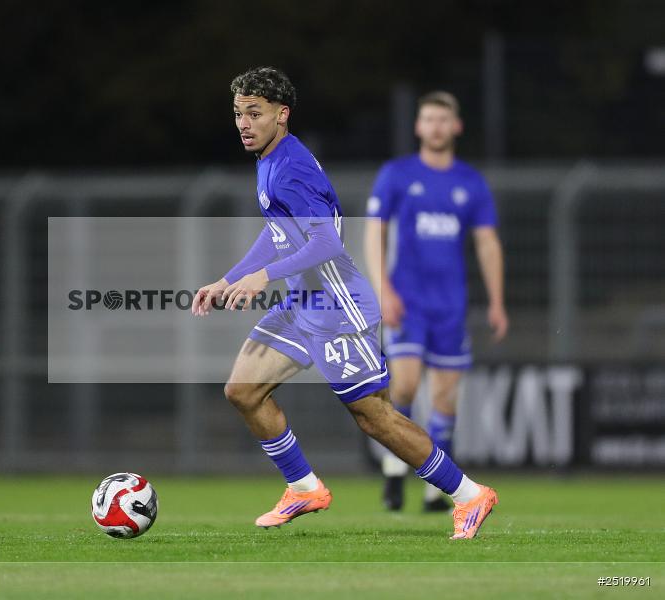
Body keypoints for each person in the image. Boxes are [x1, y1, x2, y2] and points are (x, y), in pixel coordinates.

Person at [191, 67, 498, 539]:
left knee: (374, 416)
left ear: (282, 114)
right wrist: (228, 279)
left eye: (255, 113)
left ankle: (468, 495)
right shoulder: (269, 159)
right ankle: (304, 486)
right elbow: (279, 235)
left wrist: (261, 277)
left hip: (336, 305)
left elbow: (329, 243)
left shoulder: (290, 167)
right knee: (243, 390)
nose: (244, 123)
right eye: (238, 113)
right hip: (302, 302)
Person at [363, 91, 508, 512]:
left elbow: (487, 243)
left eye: (444, 119)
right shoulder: (397, 174)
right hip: (407, 302)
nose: (437, 126)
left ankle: (436, 489)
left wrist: (497, 301)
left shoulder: (470, 182)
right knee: (404, 386)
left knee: (445, 399)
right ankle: (394, 470)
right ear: (418, 127)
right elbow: (375, 233)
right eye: (429, 119)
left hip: (451, 306)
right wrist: (384, 290)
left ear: (456, 126)